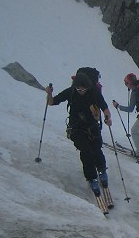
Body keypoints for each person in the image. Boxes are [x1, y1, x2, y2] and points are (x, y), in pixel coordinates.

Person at [45, 68, 112, 196]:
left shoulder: (94, 93)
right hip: (76, 128)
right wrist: (49, 93)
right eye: (79, 89)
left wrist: (108, 118)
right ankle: (92, 177)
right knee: (86, 151)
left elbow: (105, 108)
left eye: (83, 89)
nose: (81, 91)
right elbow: (52, 102)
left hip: (92, 127)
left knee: (96, 149)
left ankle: (102, 171)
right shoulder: (71, 92)